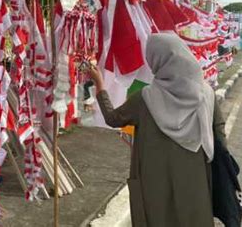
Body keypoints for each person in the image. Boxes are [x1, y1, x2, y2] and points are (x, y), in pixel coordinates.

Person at [90, 33, 227, 227]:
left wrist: (100, 85)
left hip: (154, 179)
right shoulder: (206, 93)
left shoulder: (145, 98)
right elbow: (219, 130)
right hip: (196, 175)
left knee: (157, 217)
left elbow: (113, 119)